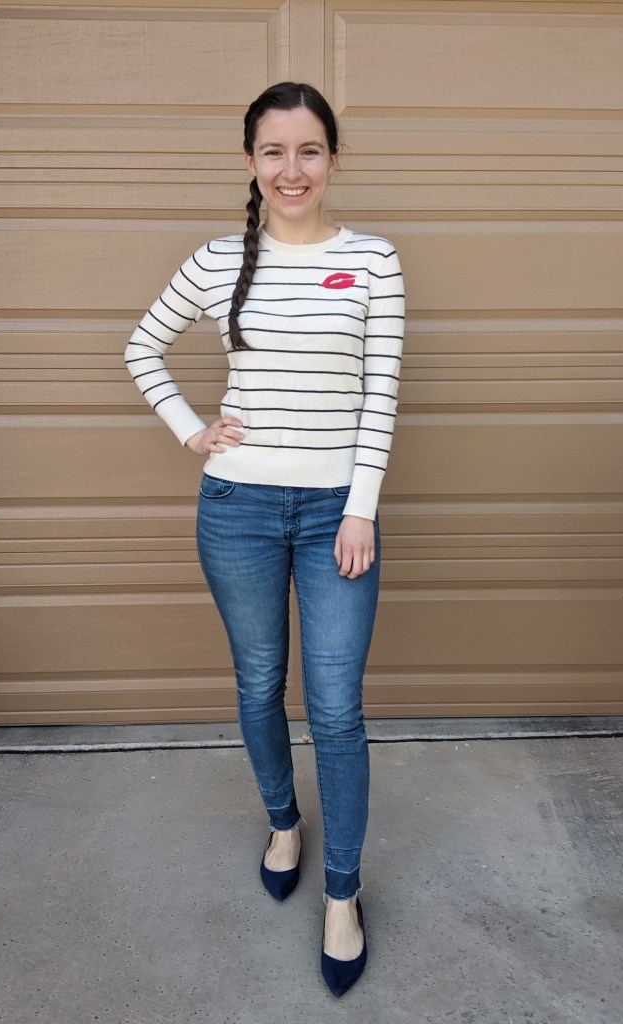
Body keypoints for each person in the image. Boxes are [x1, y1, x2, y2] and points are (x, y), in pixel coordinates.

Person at [125, 81, 404, 997]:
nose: (293, 169)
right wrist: (192, 431)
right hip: (238, 508)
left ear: (333, 160)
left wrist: (360, 507)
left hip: (336, 515)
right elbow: (141, 348)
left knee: (336, 708)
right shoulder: (217, 261)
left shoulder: (372, 260)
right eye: (275, 151)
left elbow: (380, 394)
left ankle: (341, 892)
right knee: (257, 682)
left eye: (309, 150)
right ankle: (284, 823)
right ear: (251, 161)